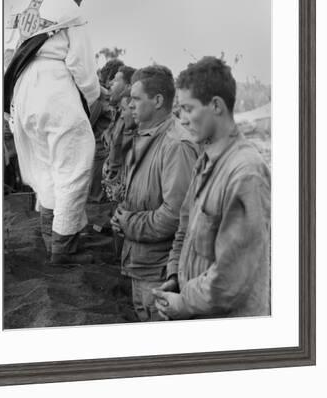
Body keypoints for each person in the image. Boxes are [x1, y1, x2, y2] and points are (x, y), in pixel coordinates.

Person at [153, 56, 271, 320]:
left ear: (216, 105)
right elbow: (185, 229)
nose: (181, 119)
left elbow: (231, 279)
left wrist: (183, 301)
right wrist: (175, 275)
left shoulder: (246, 173)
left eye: (188, 108)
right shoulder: (204, 162)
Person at [10, 0, 100, 264]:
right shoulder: (71, 12)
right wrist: (92, 100)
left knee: (47, 169)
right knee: (74, 167)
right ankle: (62, 250)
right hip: (54, 91)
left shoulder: (25, 9)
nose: (81, 1)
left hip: (21, 95)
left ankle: (49, 240)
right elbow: (82, 67)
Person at [111, 65, 198, 321]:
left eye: (136, 99)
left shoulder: (176, 146)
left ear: (158, 101)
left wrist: (127, 223)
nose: (130, 105)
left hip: (160, 274)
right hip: (141, 265)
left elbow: (175, 216)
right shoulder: (145, 137)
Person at [87, 59, 125, 203]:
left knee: (98, 197)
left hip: (103, 152)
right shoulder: (99, 96)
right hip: (101, 152)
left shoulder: (102, 96)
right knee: (97, 197)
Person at [102, 65, 136, 202]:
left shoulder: (129, 110)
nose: (110, 83)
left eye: (116, 80)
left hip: (124, 183)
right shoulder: (118, 110)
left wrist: (112, 171)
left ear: (128, 86)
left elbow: (121, 147)